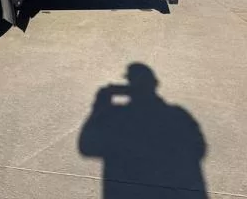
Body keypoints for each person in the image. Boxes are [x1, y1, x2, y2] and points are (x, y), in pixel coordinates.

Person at [78, 63, 207, 198]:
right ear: (155, 84)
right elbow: (199, 149)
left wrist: (101, 104)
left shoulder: (116, 116)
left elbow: (86, 146)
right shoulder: (178, 116)